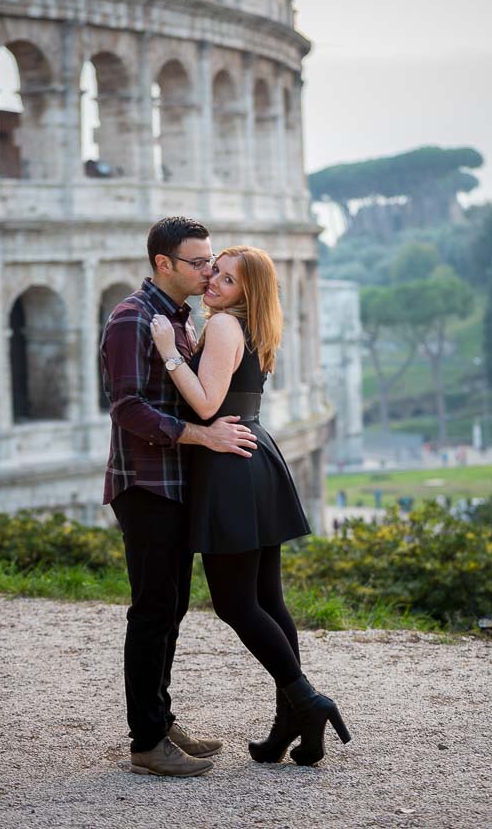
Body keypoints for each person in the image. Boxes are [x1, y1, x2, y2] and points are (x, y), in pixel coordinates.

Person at [150, 245, 351, 767]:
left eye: (228, 279)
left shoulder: (222, 327)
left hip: (229, 467)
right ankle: (292, 718)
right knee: (269, 598)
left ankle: (307, 701)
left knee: (236, 603)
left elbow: (207, 403)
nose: (213, 281)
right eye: (214, 271)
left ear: (248, 292)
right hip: (256, 458)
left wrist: (169, 350)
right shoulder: (257, 327)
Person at [100, 216, 259, 778]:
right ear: (163, 264)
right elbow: (126, 408)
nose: (208, 270)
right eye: (197, 262)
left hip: (174, 483)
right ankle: (147, 740)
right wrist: (203, 436)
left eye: (210, 260)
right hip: (144, 484)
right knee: (151, 610)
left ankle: (159, 719)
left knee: (169, 608)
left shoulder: (178, 319)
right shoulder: (131, 319)